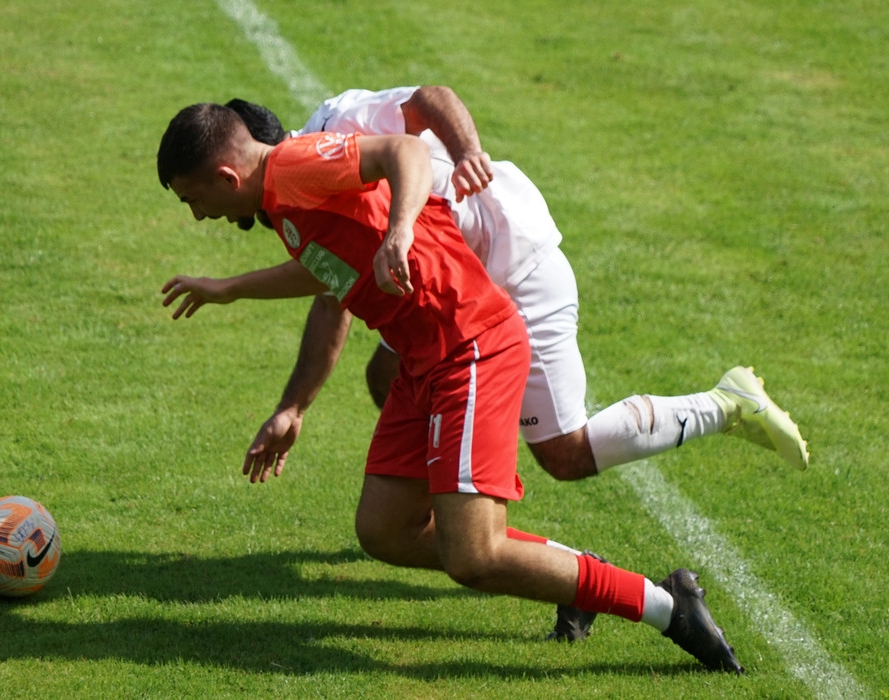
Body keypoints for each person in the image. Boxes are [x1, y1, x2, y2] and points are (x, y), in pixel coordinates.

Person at [156, 101, 745, 673]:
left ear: (226, 176)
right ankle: (575, 572)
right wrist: (231, 289)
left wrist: (400, 230)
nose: (198, 215)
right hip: (424, 362)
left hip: (470, 347)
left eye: (193, 199)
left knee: (475, 556)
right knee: (385, 530)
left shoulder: (294, 166)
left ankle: (665, 606)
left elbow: (404, 150)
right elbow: (329, 267)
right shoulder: (281, 199)